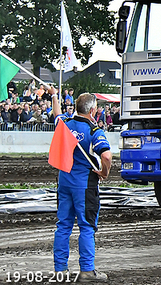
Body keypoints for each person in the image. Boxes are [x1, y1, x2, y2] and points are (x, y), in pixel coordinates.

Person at [49, 87, 112, 282]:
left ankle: (60, 270)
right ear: (92, 111)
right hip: (84, 185)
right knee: (86, 226)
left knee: (63, 226)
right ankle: (87, 270)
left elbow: (57, 114)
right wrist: (104, 172)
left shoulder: (64, 124)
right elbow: (107, 156)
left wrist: (53, 95)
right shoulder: (94, 130)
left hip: (64, 182)